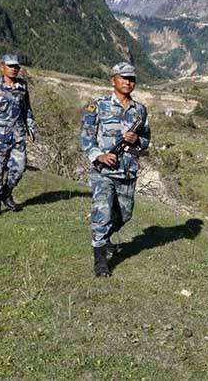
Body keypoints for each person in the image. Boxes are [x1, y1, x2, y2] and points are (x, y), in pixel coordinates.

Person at [80, 62, 150, 277]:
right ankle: (100, 260)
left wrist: (138, 139)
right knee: (102, 214)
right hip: (104, 172)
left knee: (125, 214)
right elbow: (86, 138)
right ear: (113, 80)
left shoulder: (140, 110)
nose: (128, 82)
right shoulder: (98, 106)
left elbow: (146, 141)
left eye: (132, 79)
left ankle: (104, 238)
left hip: (128, 171)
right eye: (123, 78)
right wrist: (99, 155)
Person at [0, 54, 36, 216]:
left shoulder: (22, 86)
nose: (14, 69)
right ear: (2, 67)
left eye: (16, 66)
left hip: (18, 135)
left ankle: (5, 193)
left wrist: (31, 128)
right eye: (10, 66)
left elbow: (27, 109)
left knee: (19, 168)